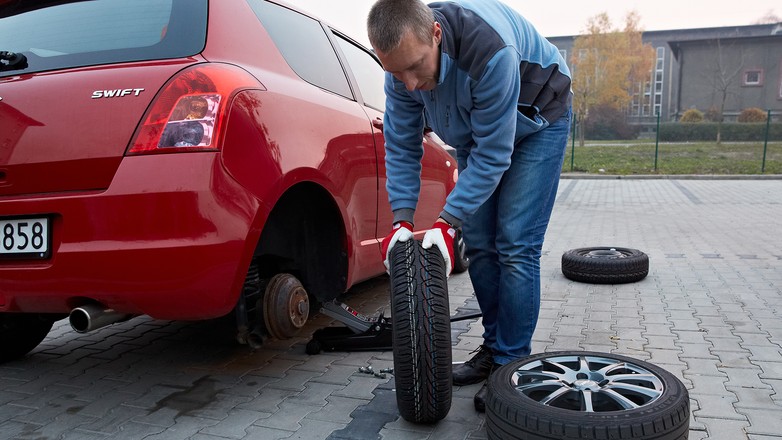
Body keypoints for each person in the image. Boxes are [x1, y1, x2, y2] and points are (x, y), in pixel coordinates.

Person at [369, 0, 573, 412]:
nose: (408, 83)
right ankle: (494, 348)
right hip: (476, 134)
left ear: (436, 35)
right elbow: (402, 148)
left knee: (514, 244)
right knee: (479, 244)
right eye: (395, 72)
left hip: (539, 121)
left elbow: (495, 154)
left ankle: (510, 366)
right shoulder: (401, 73)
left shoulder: (489, 50)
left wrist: (444, 223)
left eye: (414, 66)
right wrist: (402, 221)